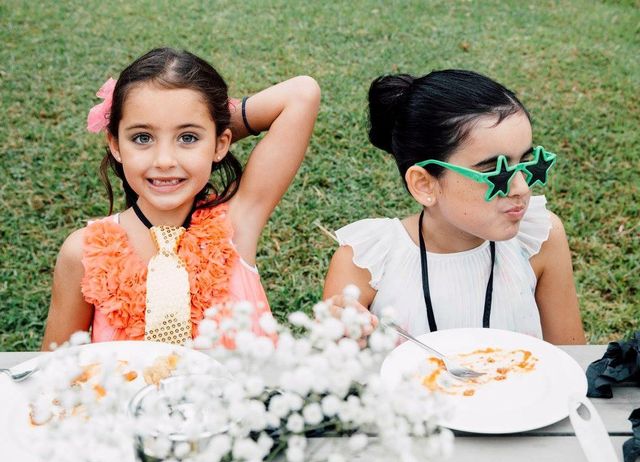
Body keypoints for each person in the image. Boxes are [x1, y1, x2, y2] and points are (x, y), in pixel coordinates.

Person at [42, 47, 320, 348]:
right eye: (142, 138)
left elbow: (301, 94)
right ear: (116, 144)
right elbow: (55, 371)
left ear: (220, 143)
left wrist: (212, 128)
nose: (164, 160)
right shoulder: (83, 252)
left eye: (188, 137)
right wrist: (200, 136)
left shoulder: (238, 224)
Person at [324, 70, 585, 344]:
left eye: (527, 165)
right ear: (424, 184)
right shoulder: (367, 262)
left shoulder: (539, 239)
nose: (521, 187)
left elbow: (572, 360)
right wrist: (339, 338)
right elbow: (336, 377)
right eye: (495, 172)